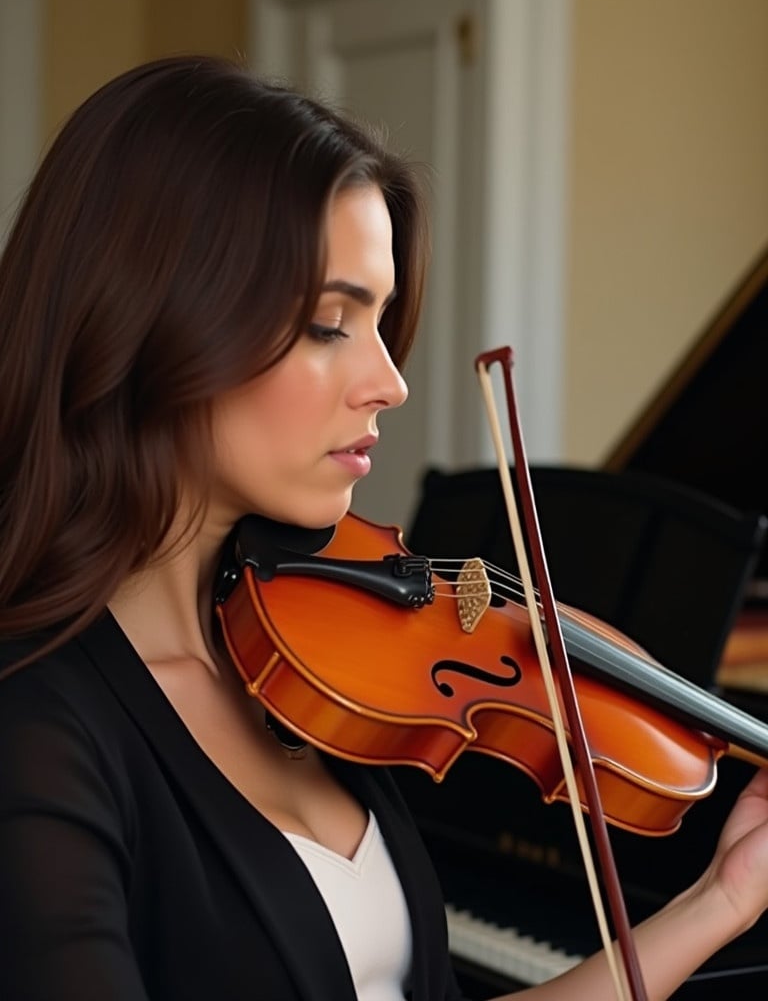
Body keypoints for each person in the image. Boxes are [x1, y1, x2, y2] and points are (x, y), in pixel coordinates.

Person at [1, 54, 768, 1001]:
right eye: (332, 324)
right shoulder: (36, 727)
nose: (391, 383)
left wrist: (721, 902)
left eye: (382, 322)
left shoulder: (306, 668)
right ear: (155, 323)